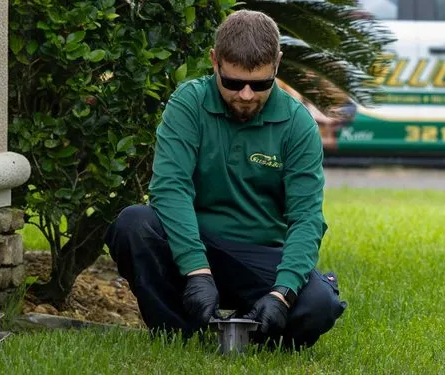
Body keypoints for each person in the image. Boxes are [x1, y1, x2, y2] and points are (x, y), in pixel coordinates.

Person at [103, 9, 347, 351]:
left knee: (319, 307)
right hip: (197, 243)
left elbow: (306, 218)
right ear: (215, 61)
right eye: (233, 82)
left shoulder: (298, 125)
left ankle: (257, 319)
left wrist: (283, 292)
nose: (246, 95)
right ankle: (177, 334)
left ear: (277, 63)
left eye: (260, 84)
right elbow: (170, 189)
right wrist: (197, 271)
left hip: (260, 254)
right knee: (134, 224)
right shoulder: (188, 104)